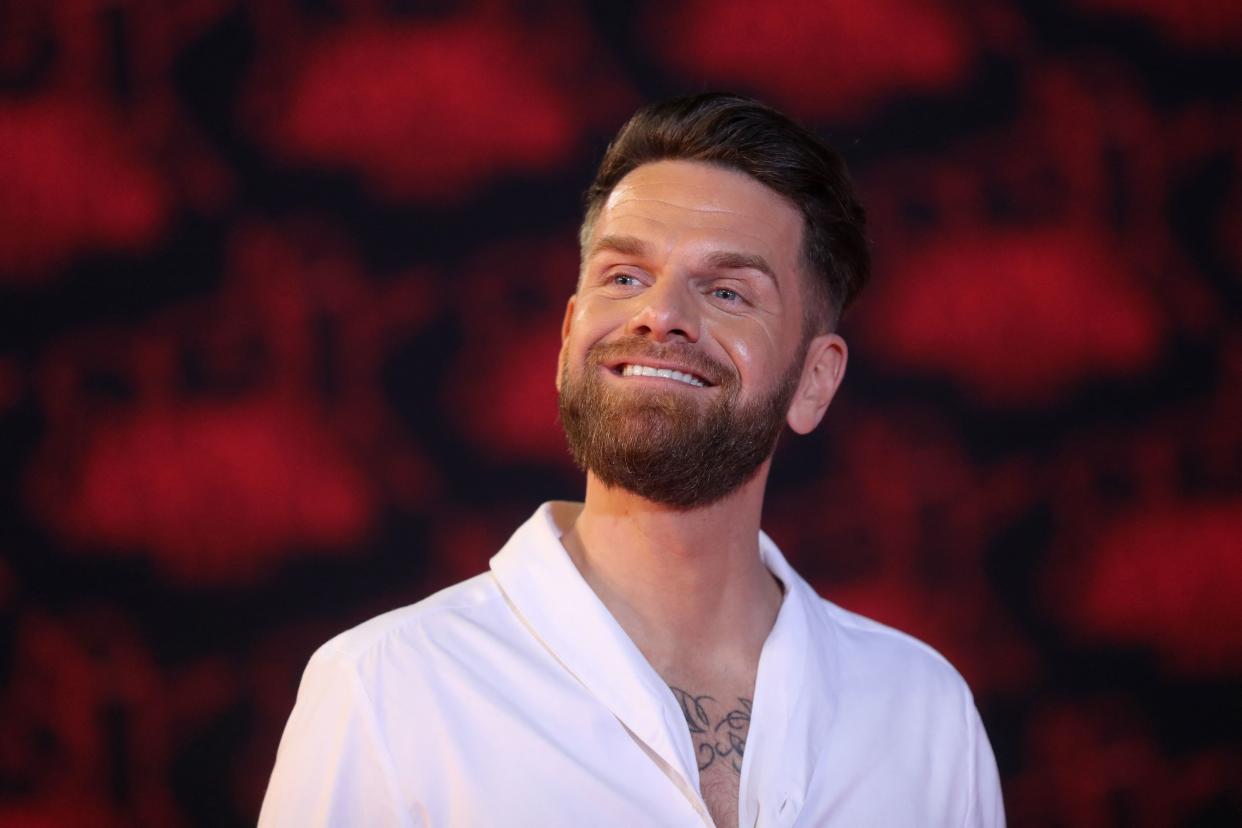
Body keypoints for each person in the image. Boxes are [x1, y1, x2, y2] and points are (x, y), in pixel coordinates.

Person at [259, 93, 1006, 827]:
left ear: (814, 382)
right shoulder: (388, 688)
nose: (662, 315)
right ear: (566, 338)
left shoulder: (922, 715)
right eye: (624, 277)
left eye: (727, 291)